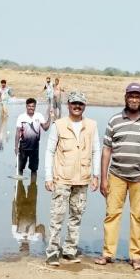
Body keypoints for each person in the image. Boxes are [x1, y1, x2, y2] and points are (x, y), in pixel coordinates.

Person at [94, 82, 140, 270]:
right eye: (131, 96)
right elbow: (106, 150)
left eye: (137, 96)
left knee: (138, 217)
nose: (134, 99)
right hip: (117, 175)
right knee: (112, 214)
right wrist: (103, 178)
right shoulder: (114, 120)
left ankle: (136, 256)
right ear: (125, 98)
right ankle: (108, 253)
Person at [44, 91, 100, 266]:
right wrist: (48, 177)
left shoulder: (92, 125)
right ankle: (53, 252)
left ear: (85, 106)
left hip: (82, 179)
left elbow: (96, 150)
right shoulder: (59, 125)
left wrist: (96, 175)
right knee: (57, 217)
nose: (77, 106)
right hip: (61, 178)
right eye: (74, 103)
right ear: (68, 104)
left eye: (80, 104)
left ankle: (69, 251)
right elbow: (50, 151)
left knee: (76, 216)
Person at [14, 98, 51, 180]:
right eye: (29, 106)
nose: (31, 108)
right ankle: (19, 188)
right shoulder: (21, 117)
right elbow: (17, 133)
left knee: (34, 170)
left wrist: (50, 118)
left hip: (35, 148)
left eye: (33, 106)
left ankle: (33, 186)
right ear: (26, 106)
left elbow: (45, 128)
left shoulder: (39, 116)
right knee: (20, 168)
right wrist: (16, 147)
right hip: (23, 147)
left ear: (35, 107)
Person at [12, 175, 46, 256]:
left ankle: (20, 170)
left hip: (20, 206)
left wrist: (14, 201)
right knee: (33, 184)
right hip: (32, 206)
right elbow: (41, 226)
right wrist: (44, 237)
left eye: (22, 249)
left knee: (19, 183)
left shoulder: (16, 235)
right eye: (26, 249)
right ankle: (28, 170)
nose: (24, 247)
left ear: (20, 247)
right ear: (29, 248)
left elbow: (14, 218)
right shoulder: (34, 238)